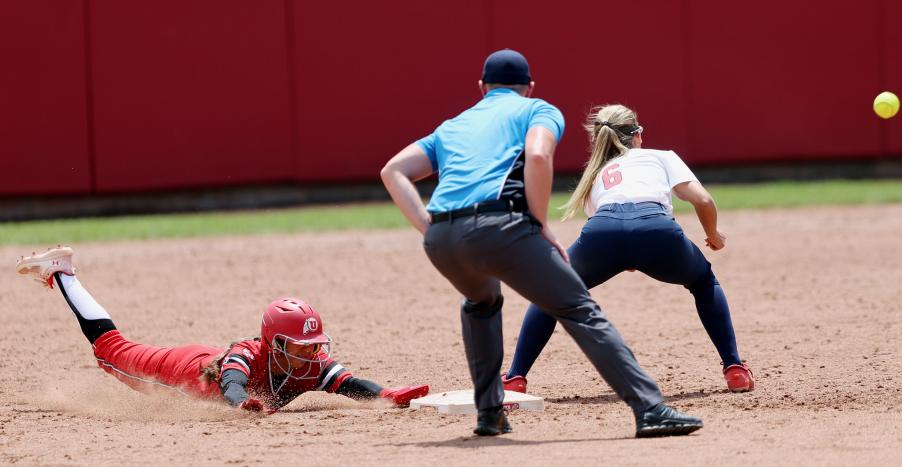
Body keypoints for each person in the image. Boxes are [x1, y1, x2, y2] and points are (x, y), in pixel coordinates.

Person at [380, 49, 702, 438]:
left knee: (480, 304)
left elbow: (393, 170)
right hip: (502, 226)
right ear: (529, 87)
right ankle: (650, 409)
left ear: (481, 88)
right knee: (578, 308)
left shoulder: (451, 126)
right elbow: (537, 154)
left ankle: (490, 412)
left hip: (443, 239)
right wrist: (539, 222)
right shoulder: (537, 110)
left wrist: (429, 228)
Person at [502, 104, 755, 395]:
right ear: (636, 134)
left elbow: (615, 229)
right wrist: (713, 235)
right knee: (703, 282)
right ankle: (734, 369)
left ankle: (515, 378)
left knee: (551, 293)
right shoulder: (661, 157)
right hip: (658, 229)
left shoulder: (594, 173)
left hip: (604, 232)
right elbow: (703, 201)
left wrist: (627, 255)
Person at [15, 246, 429, 413]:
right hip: (183, 368)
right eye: (299, 345)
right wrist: (241, 403)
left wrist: (387, 394)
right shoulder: (247, 355)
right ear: (274, 343)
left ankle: (63, 274)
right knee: (110, 350)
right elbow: (231, 383)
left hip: (206, 358)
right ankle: (62, 274)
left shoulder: (309, 363)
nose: (310, 352)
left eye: (311, 343)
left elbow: (350, 383)